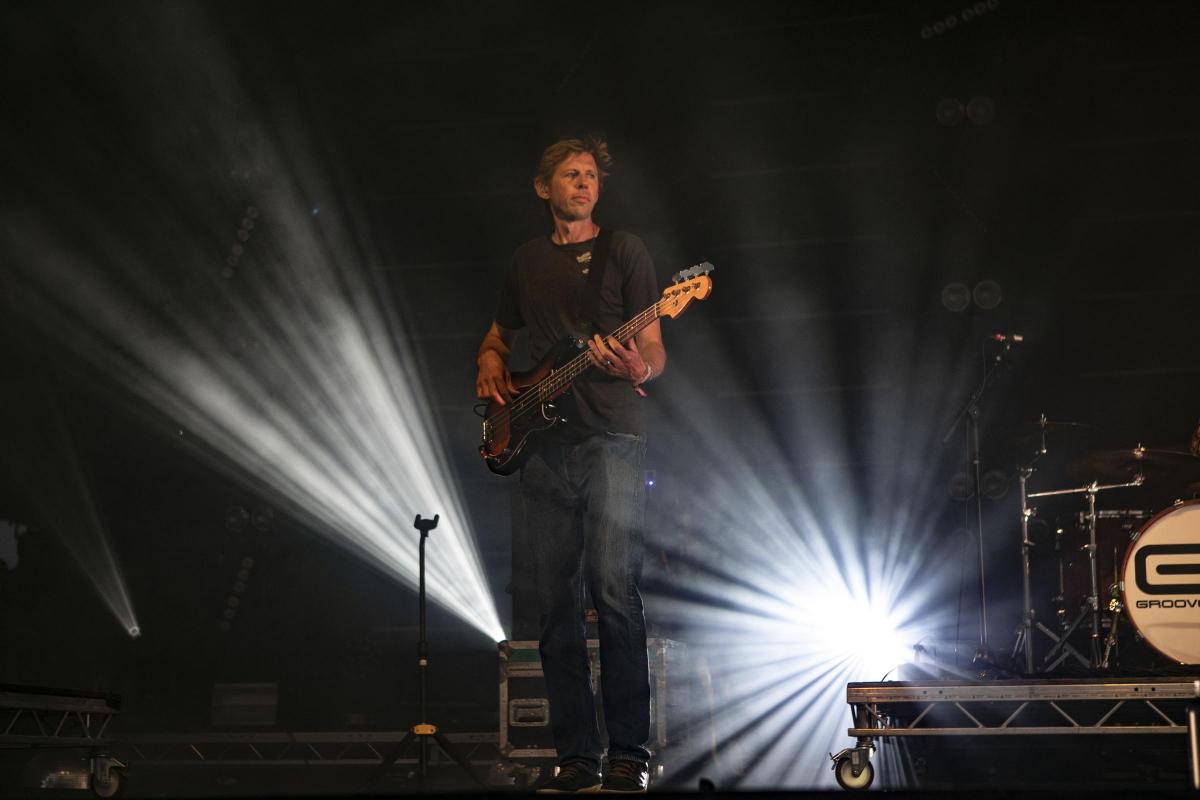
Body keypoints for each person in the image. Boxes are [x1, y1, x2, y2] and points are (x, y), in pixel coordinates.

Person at [475, 136, 665, 794]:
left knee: (613, 593)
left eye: (590, 176)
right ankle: (575, 757)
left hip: (613, 438)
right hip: (543, 445)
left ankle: (628, 755)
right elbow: (498, 335)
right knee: (554, 606)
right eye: (570, 175)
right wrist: (491, 360)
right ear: (543, 187)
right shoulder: (526, 261)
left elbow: (653, 352)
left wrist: (638, 366)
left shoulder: (626, 251)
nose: (583, 183)